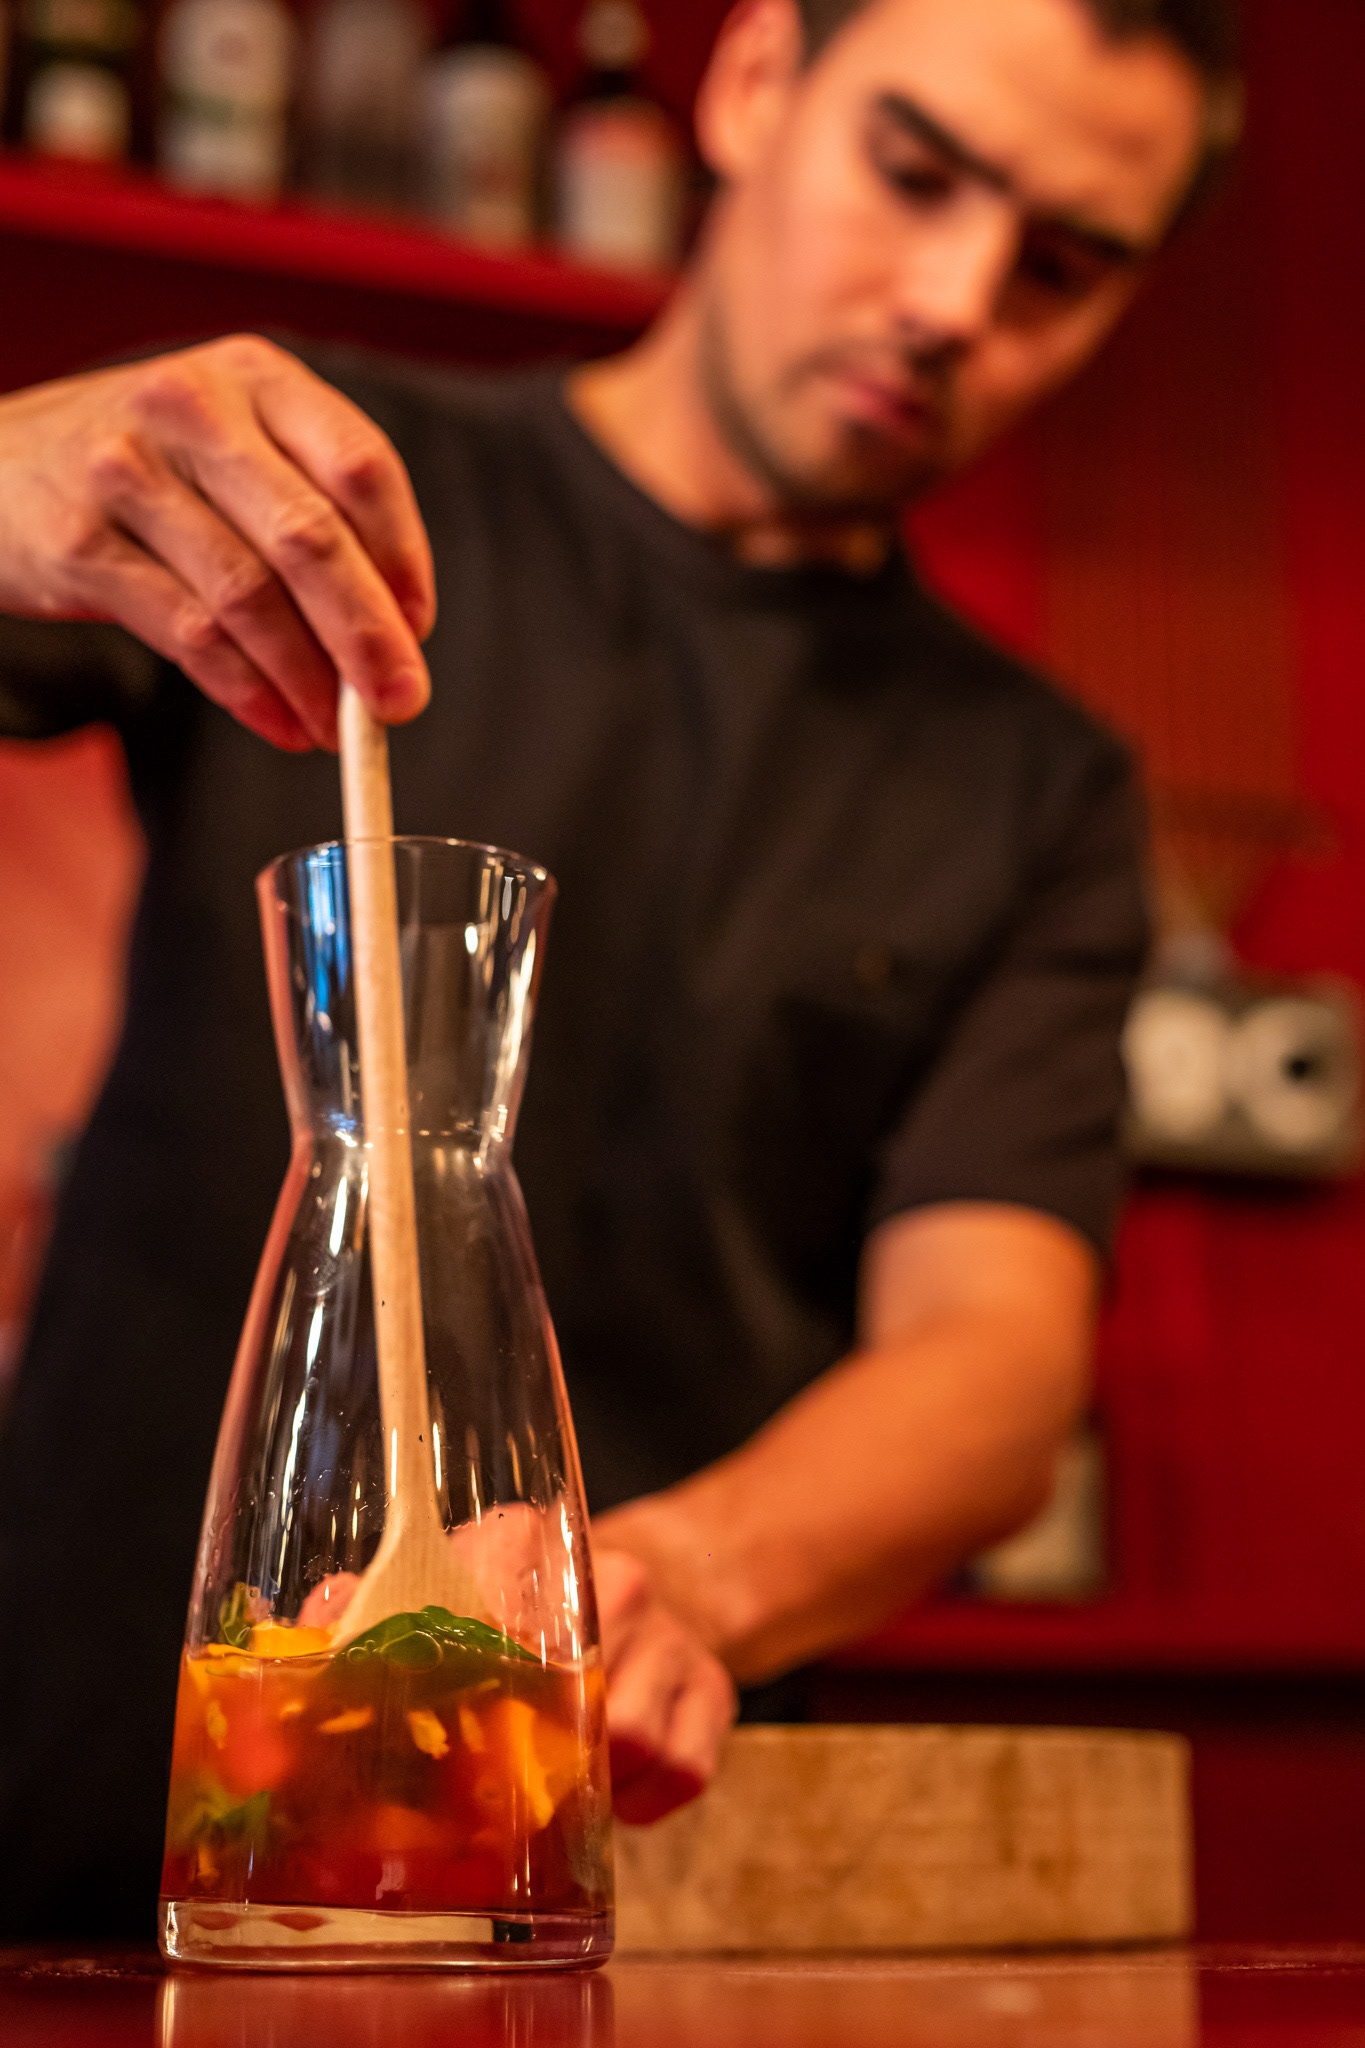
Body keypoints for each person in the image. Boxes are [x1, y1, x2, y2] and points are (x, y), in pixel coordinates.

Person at [0, 0, 1238, 1935]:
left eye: (1059, 267)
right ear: (749, 84)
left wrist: (673, 1582)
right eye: (913, 171)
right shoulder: (319, 501)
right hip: (69, 1799)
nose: (951, 301)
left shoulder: (1036, 785)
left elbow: (991, 1360)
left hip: (588, 1863)